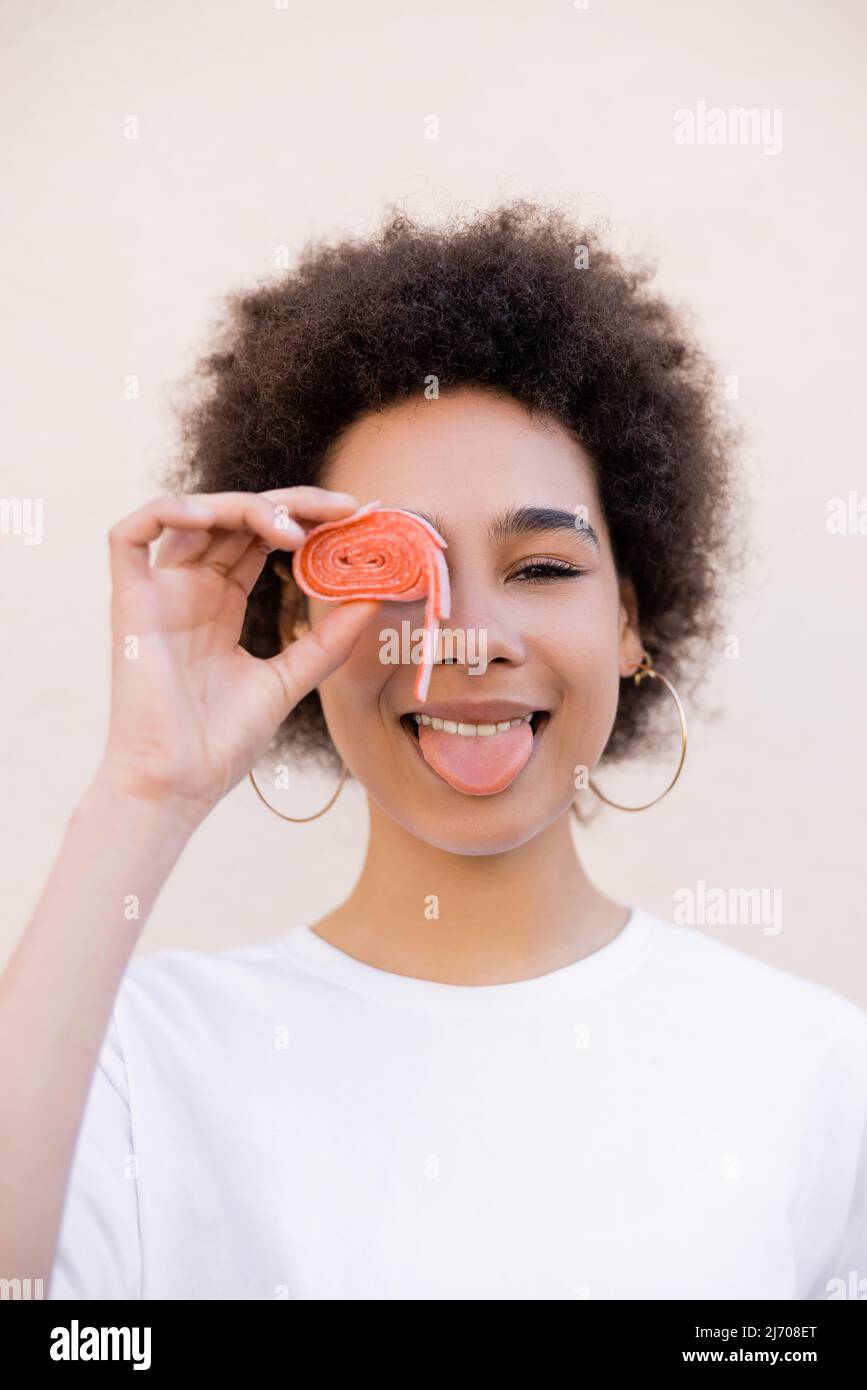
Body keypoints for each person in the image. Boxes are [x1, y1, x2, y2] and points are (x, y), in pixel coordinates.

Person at [2, 202, 865, 1301]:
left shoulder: (814, 1072)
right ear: (296, 621)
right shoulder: (130, 1063)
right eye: (393, 573)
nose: (467, 634)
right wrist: (146, 790)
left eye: (544, 568)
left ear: (630, 619)